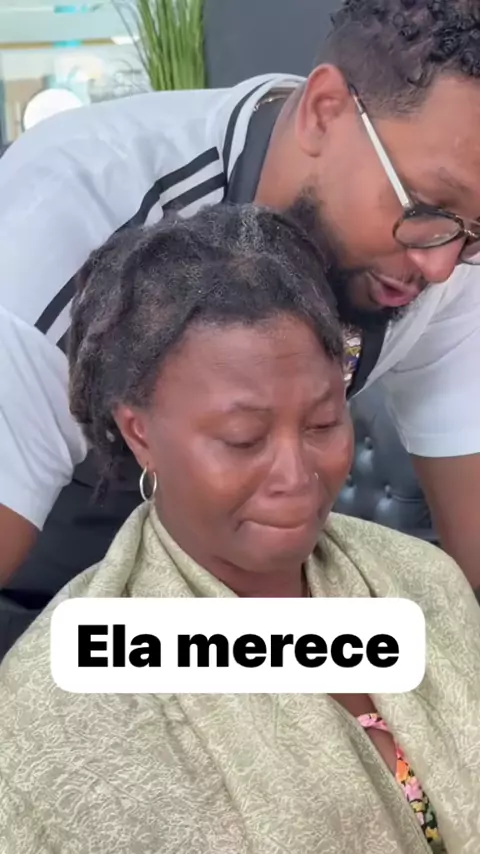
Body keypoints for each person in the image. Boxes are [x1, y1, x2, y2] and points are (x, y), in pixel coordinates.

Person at [0, 204, 479, 854]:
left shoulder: (422, 582)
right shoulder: (59, 707)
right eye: (243, 438)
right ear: (140, 433)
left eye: (322, 423)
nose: (297, 476)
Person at [1, 0, 480, 619]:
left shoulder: (448, 247)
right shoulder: (57, 229)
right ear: (324, 111)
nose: (442, 267)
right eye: (425, 206)